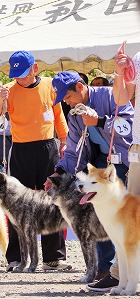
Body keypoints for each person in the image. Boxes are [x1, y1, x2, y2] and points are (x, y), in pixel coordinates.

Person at [43, 71, 133, 288]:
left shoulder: (111, 95)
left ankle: (124, 269)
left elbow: (130, 128)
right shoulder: (74, 114)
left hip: (126, 160)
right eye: (64, 98)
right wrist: (59, 172)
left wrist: (100, 121)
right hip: (100, 162)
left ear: (80, 87)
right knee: (99, 212)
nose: (66, 101)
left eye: (68, 96)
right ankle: (106, 268)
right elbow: (74, 151)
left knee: (125, 216)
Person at [0, 50, 70, 271]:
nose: (19, 79)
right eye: (16, 75)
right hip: (21, 149)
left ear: (35, 68)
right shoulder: (9, 91)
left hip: (47, 147)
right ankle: (15, 257)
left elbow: (58, 114)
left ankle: (54, 257)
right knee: (15, 203)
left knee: (52, 200)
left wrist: (64, 140)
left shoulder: (49, 85)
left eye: (23, 74)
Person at [88, 49, 140, 291]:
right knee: (130, 218)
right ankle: (120, 274)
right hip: (138, 147)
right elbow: (122, 99)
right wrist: (118, 73)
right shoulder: (137, 58)